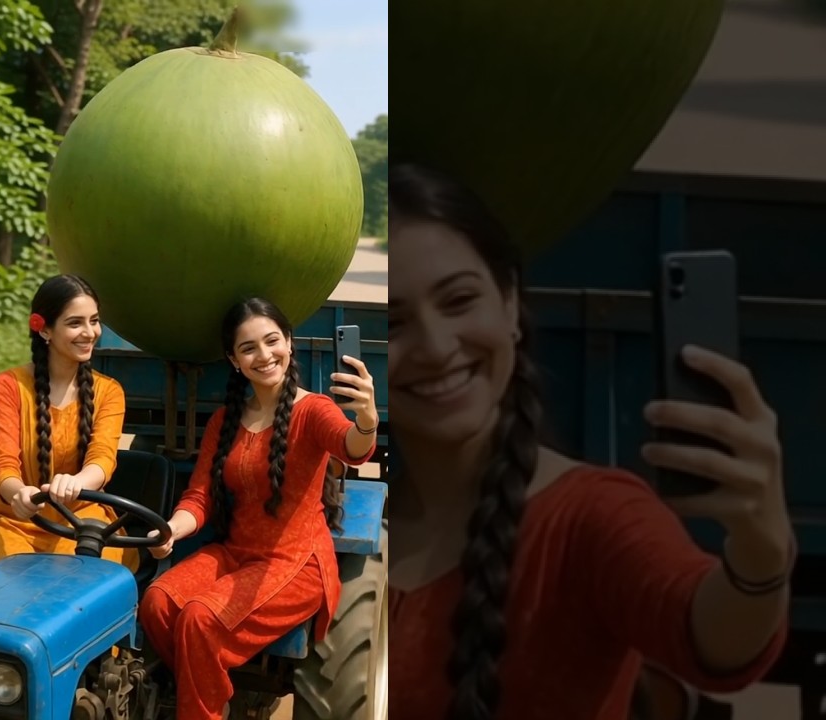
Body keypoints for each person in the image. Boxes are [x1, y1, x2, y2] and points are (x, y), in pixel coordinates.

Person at [386, 161, 793, 719]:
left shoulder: (592, 514)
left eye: (458, 301)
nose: (435, 347)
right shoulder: (346, 526)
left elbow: (711, 636)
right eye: (393, 323)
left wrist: (762, 549)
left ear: (511, 305)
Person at [137, 296, 379, 720]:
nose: (264, 355)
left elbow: (352, 447)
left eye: (272, 341)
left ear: (289, 342)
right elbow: (200, 497)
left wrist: (367, 420)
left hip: (294, 563)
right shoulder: (224, 420)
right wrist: (172, 529)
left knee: (199, 618)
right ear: (234, 360)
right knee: (157, 602)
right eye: (248, 348)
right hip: (235, 553)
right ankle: (215, 700)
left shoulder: (313, 410)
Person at [0, 274, 137, 570]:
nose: (90, 332)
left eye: (94, 321)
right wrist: (19, 494)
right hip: (12, 520)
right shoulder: (9, 386)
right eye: (75, 323)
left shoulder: (109, 391)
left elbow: (102, 459)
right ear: (44, 329)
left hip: (83, 521)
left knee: (83, 581)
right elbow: (3, 464)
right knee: (12, 584)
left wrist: (77, 483)